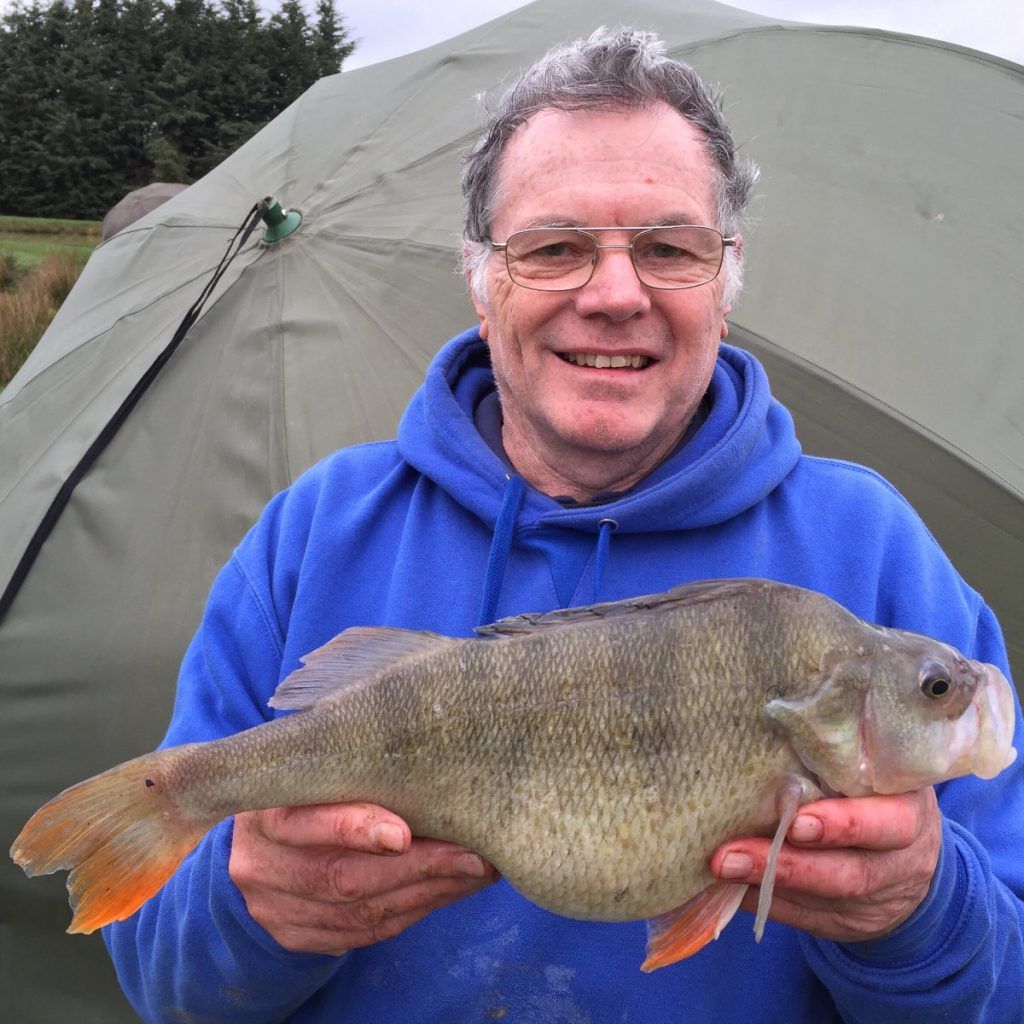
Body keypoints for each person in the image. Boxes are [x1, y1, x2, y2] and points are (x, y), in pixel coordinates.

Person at [104, 27, 1024, 1023]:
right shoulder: (312, 536)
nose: (613, 294)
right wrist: (256, 913)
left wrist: (918, 916)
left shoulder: (874, 549)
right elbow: (168, 989)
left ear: (725, 275)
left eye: (668, 249)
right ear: (480, 273)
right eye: (554, 248)